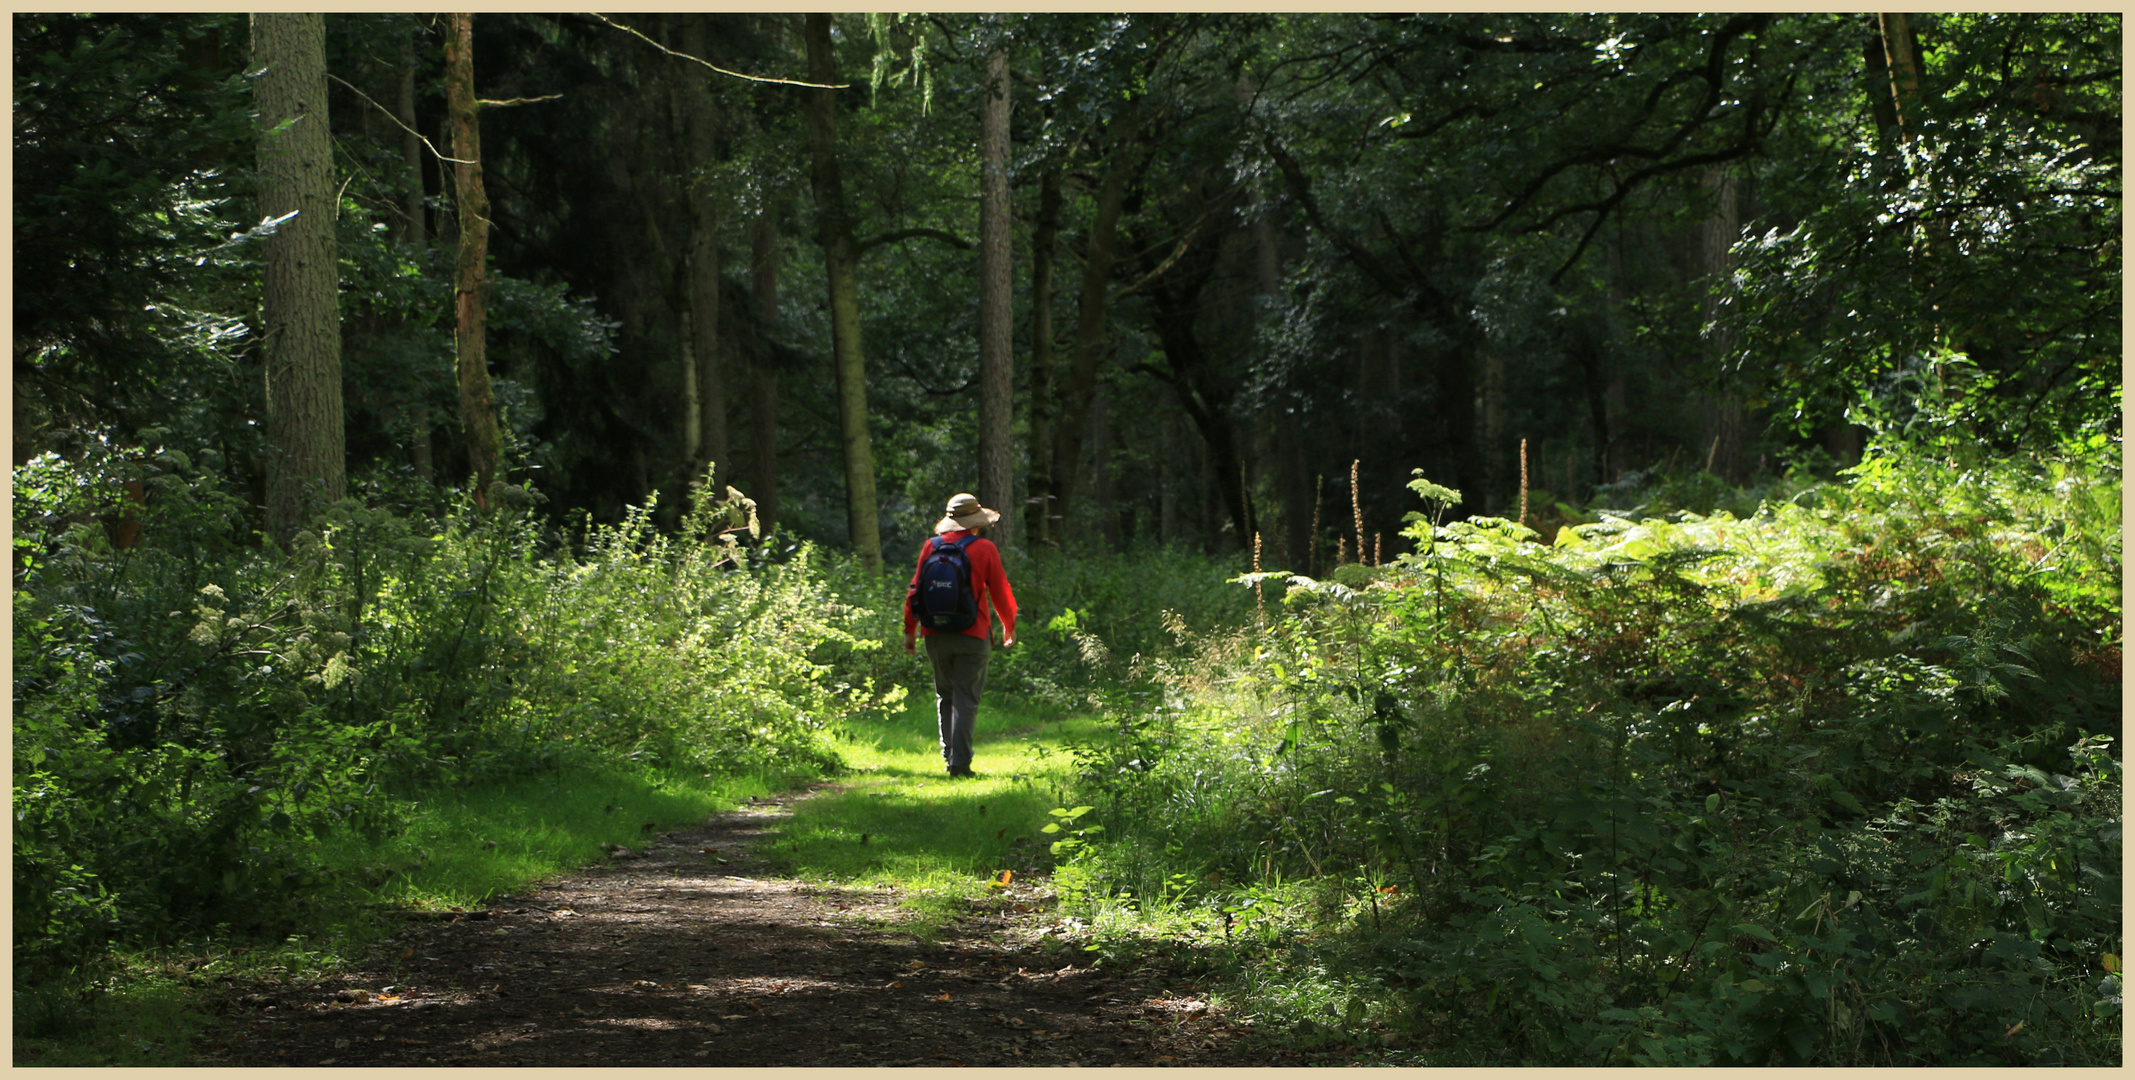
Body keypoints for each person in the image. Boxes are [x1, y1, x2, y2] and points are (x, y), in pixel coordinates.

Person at [903, 492, 1017, 778]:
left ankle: (949, 757)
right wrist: (1008, 624)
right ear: (975, 523)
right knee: (966, 698)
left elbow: (915, 590)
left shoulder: (931, 546)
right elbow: (1001, 591)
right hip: (973, 633)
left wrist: (910, 630)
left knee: (946, 696)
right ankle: (960, 765)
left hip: (935, 634)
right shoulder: (985, 548)